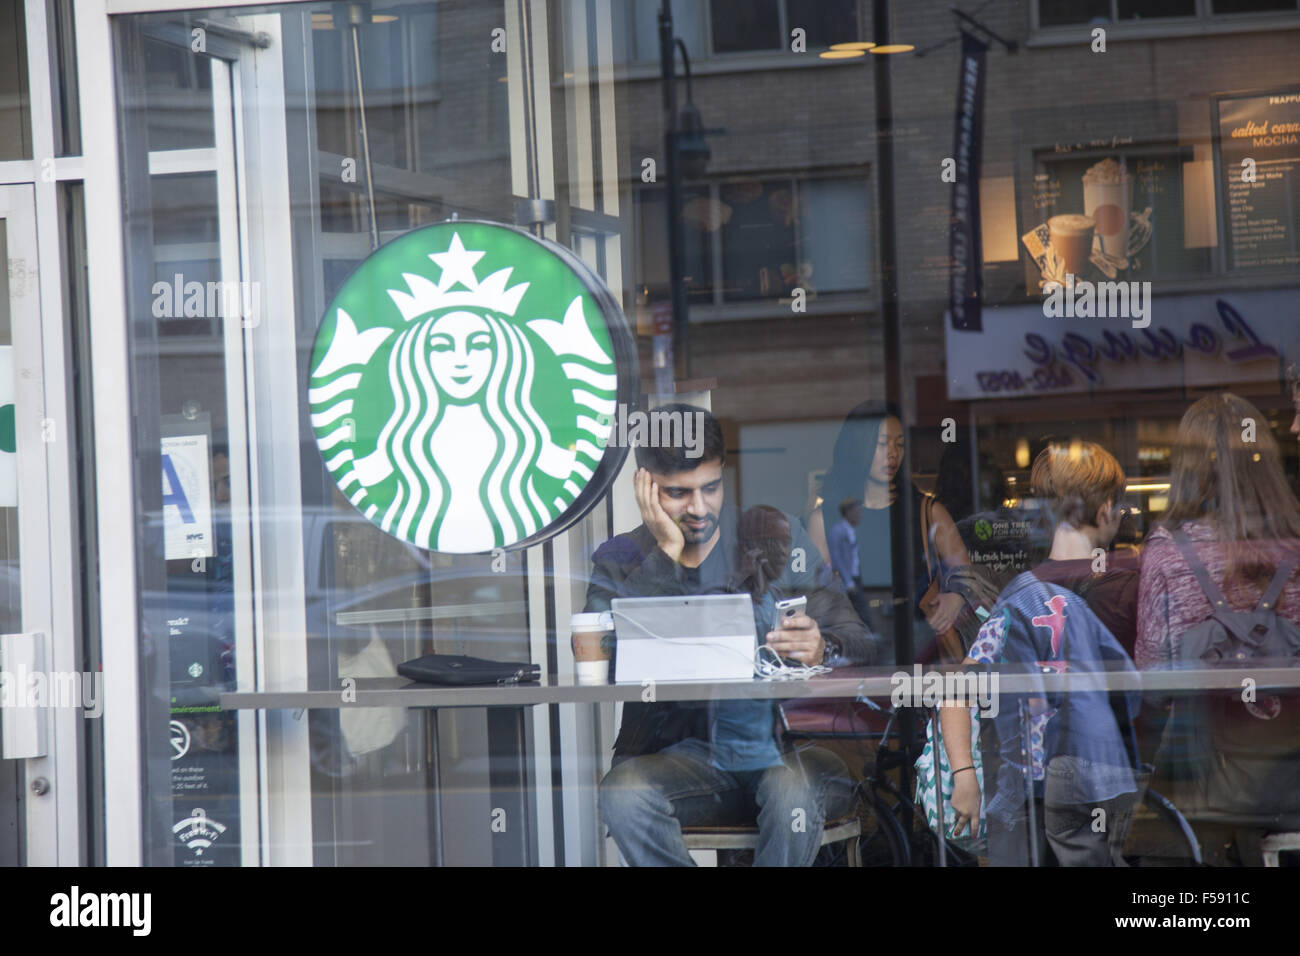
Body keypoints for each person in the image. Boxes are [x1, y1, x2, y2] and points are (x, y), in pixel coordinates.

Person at [588, 404, 876, 866]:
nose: (699, 508)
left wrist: (824, 644)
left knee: (791, 793)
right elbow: (601, 660)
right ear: (645, 485)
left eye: (711, 488)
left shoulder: (777, 538)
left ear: (725, 473)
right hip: (682, 762)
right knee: (624, 794)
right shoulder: (622, 558)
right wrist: (664, 554)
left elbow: (858, 636)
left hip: (789, 749)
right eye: (678, 494)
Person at [932, 441, 1140, 865]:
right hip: (1105, 769)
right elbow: (1135, 689)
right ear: (1104, 512)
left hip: (1032, 780)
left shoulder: (1023, 599)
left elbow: (958, 690)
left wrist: (964, 776)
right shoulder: (1126, 585)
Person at [1136, 393, 1300, 863]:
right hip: (1290, 784)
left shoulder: (1168, 550)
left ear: (1189, 467)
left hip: (1203, 792)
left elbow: (1153, 680)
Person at [809, 403, 974, 664]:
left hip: (920, 646)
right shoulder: (825, 519)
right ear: (858, 447)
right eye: (882, 444)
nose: (893, 454)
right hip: (854, 651)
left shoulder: (927, 511)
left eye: (899, 444)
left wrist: (955, 597)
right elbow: (816, 596)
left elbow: (967, 575)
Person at [827, 497, 872, 623]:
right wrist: (848, 581)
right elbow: (836, 557)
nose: (859, 514)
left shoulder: (851, 530)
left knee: (855, 608)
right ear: (848, 512)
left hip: (854, 576)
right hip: (845, 579)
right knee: (858, 607)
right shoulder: (838, 530)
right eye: (857, 511)